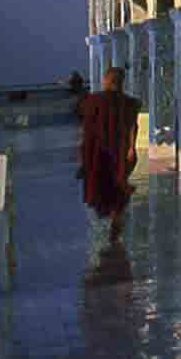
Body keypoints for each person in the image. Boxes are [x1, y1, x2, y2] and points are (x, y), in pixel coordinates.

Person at [79, 66, 140, 240]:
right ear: (120, 82)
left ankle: (113, 219)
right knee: (118, 185)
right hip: (120, 152)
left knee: (103, 185)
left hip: (97, 152)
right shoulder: (130, 103)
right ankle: (116, 218)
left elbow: (86, 129)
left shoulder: (92, 101)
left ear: (106, 80)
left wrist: (83, 154)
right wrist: (131, 148)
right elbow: (133, 126)